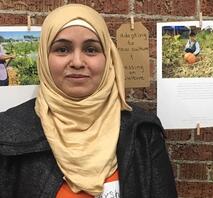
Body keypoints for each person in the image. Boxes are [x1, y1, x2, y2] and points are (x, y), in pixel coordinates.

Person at [0, 4, 177, 198]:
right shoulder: (7, 132)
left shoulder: (142, 132)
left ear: (108, 57)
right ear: (44, 58)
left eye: (91, 49)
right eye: (62, 49)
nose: (77, 62)